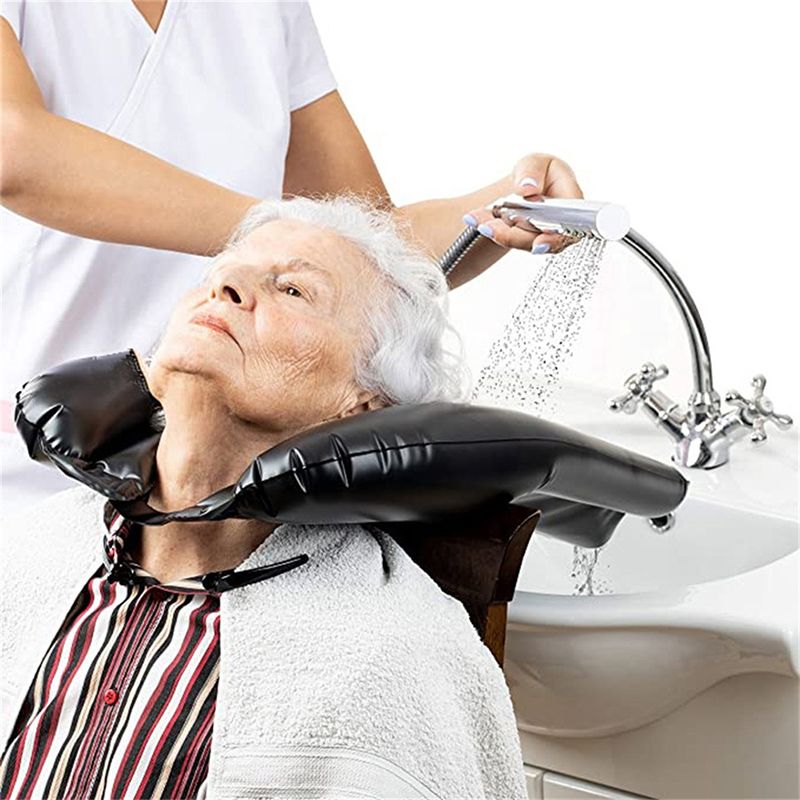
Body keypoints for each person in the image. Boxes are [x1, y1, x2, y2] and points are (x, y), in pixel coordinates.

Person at [0, 195, 528, 799]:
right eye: (223, 271)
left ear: (365, 403)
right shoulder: (28, 553)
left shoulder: (398, 655)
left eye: (293, 290)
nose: (226, 287)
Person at [0, 0, 583, 517]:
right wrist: (278, 245)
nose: (226, 287)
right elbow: (13, 148)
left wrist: (499, 208)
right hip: (28, 461)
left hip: (205, 481)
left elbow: (368, 243)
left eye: (293, 290)